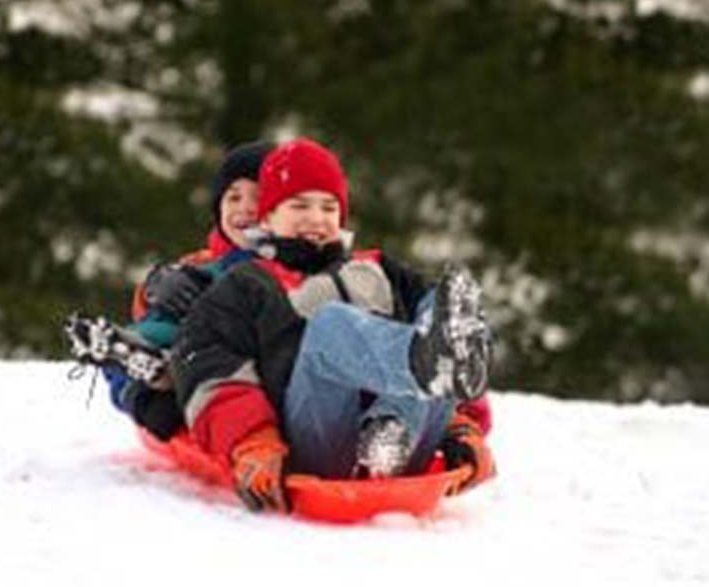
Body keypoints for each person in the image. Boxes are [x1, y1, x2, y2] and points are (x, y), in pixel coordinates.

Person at [170, 137, 495, 513]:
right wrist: (253, 441)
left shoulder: (377, 269)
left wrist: (462, 426)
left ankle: (387, 436)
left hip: (408, 440)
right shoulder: (247, 284)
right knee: (331, 325)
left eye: (328, 207)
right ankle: (415, 371)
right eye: (299, 205)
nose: (316, 218)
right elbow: (208, 367)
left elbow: (449, 335)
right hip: (316, 445)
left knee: (439, 310)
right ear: (268, 217)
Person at [102, 141, 273, 441]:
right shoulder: (205, 262)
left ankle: (164, 389)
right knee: (150, 335)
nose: (245, 208)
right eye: (233, 198)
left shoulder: (297, 258)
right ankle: (146, 389)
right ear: (218, 209)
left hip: (245, 361)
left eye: (258, 197)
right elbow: (152, 314)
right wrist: (156, 287)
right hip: (197, 351)